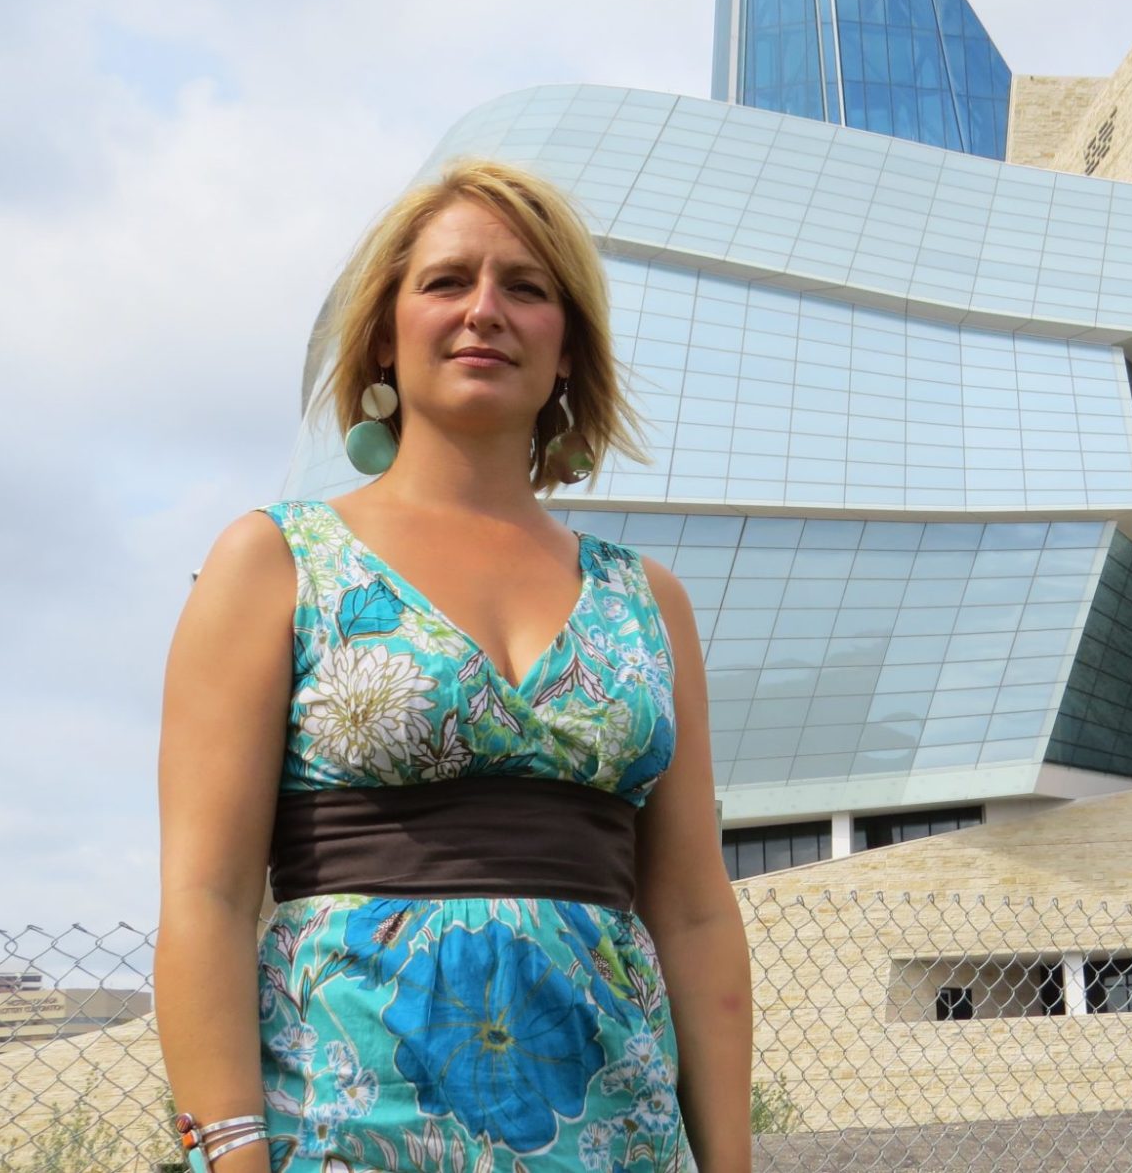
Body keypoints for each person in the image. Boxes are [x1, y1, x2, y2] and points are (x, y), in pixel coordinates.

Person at [155, 159, 751, 1172]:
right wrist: (233, 1153)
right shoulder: (275, 561)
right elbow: (205, 897)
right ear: (385, 331)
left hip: (618, 1139)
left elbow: (693, 910)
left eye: (525, 287)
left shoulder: (649, 603)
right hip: (346, 1138)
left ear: (568, 348)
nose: (485, 310)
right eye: (445, 282)